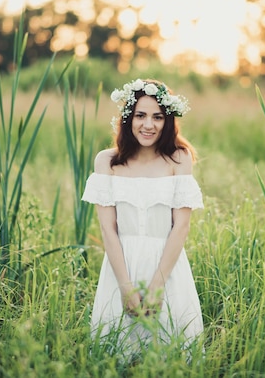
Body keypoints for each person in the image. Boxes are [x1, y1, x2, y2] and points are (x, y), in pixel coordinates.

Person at [81, 78, 204, 358]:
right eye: (140, 115)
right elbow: (108, 229)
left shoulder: (179, 159)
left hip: (167, 269)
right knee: (118, 356)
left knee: (170, 357)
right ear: (128, 118)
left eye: (157, 117)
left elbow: (181, 226)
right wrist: (125, 287)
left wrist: (157, 286)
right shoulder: (107, 161)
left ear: (167, 121)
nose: (148, 125)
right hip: (120, 268)